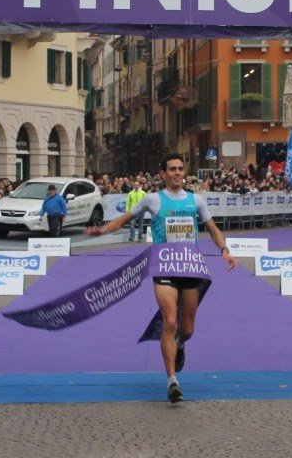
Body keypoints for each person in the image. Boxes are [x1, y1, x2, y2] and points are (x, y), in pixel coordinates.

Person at [85, 153, 237, 403]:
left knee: (186, 329)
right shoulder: (152, 200)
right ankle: (172, 381)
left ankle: (181, 343)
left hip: (190, 268)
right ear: (163, 174)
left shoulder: (196, 200)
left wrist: (224, 250)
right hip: (164, 267)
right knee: (169, 320)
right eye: (172, 169)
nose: (177, 173)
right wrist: (101, 230)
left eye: (180, 169)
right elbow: (125, 218)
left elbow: (212, 229)